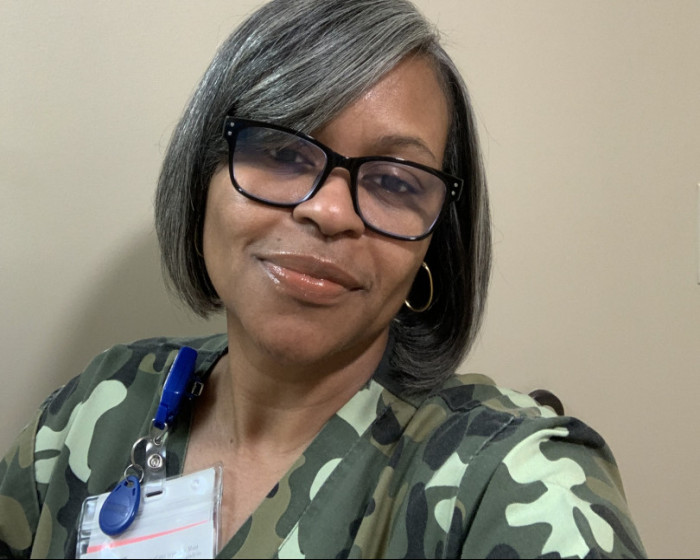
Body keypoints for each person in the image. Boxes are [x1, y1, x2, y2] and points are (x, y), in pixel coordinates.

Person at [0, 0, 646, 557]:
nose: (331, 211)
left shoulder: (510, 479)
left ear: (432, 247)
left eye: (394, 182)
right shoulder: (94, 411)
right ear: (203, 178)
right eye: (283, 151)